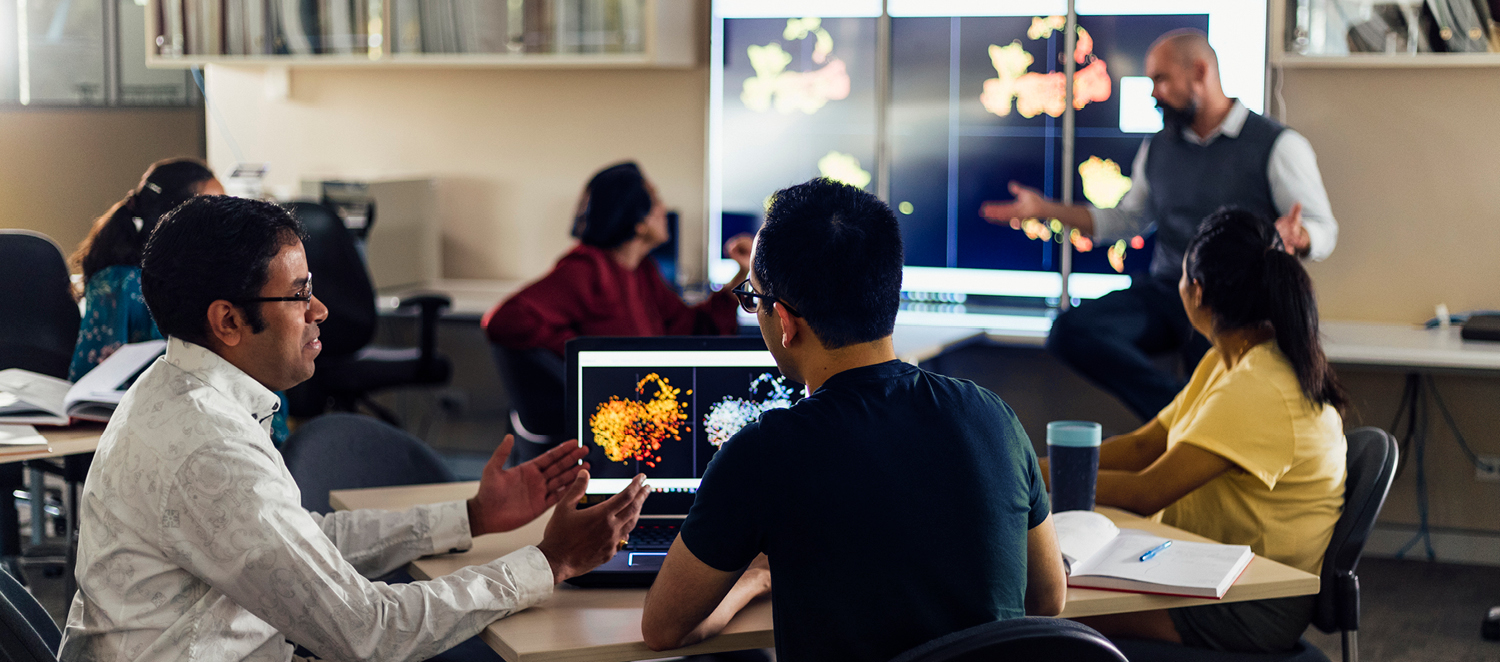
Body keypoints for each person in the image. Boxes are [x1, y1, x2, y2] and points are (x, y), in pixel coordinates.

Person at [58, 195, 652, 662]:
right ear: (229, 321)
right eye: (299, 294)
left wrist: (469, 517)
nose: (319, 311)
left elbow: (298, 547)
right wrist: (549, 563)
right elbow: (371, 632)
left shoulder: (181, 390)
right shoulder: (208, 448)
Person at [640, 179, 1068, 661]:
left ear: (783, 321)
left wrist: (757, 578)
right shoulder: (994, 418)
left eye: (752, 297)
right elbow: (1048, 600)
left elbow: (663, 628)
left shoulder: (764, 453)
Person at [982, 29, 1339, 421]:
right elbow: (1126, 219)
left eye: (1161, 79)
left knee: (1218, 365)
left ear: (1200, 72)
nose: (1153, 92)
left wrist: (1300, 237)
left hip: (1236, 307)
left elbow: (1324, 229)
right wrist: (1045, 209)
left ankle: (1197, 418)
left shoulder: (1277, 145)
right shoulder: (1158, 147)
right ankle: (1181, 412)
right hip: (1171, 292)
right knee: (1071, 332)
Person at [1049, 208, 1348, 654]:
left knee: (1044, 609)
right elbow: (1142, 446)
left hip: (1250, 600)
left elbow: (1147, 491)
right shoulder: (1228, 359)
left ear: (1197, 291)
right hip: (1198, 568)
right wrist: (1024, 464)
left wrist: (1030, 482)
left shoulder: (1260, 387)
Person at [67, 158, 292, 445]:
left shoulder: (222, 280)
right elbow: (85, 381)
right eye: (215, 210)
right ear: (177, 219)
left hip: (228, 422)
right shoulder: (120, 285)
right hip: (153, 428)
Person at [483, 161, 754, 358]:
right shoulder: (586, 270)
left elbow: (693, 328)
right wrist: (584, 353)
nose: (663, 209)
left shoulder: (642, 271)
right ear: (638, 222)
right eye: (656, 200)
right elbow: (502, 320)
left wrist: (742, 272)